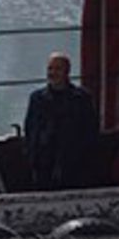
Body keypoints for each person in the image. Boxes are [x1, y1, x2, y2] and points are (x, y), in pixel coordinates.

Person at [23, 52, 102, 190]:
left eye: (57, 69)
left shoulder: (82, 98)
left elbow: (91, 131)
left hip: (74, 163)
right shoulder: (37, 99)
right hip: (44, 163)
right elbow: (30, 128)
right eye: (50, 69)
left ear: (67, 72)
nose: (53, 73)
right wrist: (32, 156)